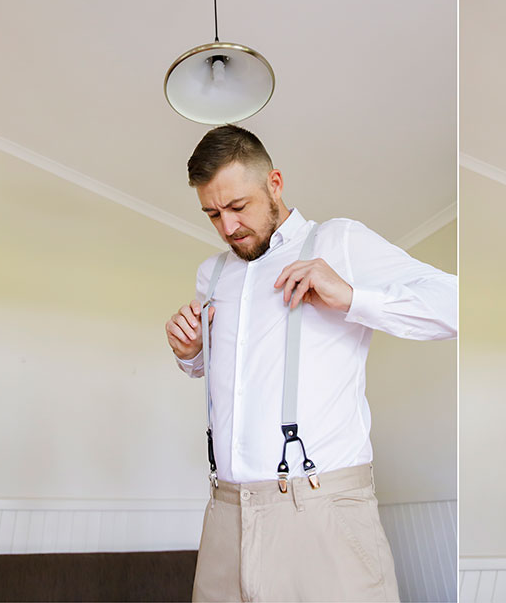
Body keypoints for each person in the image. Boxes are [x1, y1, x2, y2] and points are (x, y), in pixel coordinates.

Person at [164, 124, 457, 603]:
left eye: (238, 207)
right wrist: (192, 352)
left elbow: (456, 305)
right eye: (212, 214)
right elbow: (227, 376)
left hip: (320, 509)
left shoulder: (338, 241)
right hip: (223, 513)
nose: (228, 227)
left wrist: (351, 297)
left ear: (274, 183)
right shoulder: (211, 274)